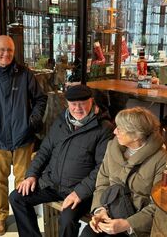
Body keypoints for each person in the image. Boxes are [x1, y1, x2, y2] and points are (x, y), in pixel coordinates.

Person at [9, 84, 114, 237]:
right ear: (67, 104)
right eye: (73, 104)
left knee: (67, 219)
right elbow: (44, 151)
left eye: (82, 103)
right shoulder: (61, 122)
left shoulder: (104, 128)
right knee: (17, 198)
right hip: (52, 183)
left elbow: (102, 168)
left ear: (91, 101)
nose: (77, 108)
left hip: (79, 191)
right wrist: (31, 175)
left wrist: (79, 192)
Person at [0, 35, 48, 236]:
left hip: (23, 138)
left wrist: (32, 123)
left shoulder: (25, 75)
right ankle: (0, 217)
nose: (6, 54)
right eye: (2, 50)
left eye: (10, 51)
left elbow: (40, 99)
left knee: (23, 181)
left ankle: (23, 217)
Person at [81, 107, 167, 237]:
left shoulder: (162, 159)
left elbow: (159, 204)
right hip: (109, 212)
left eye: (120, 129)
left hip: (135, 224)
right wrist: (100, 210)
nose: (114, 131)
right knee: (87, 234)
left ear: (136, 135)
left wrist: (127, 224)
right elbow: (102, 182)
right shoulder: (112, 146)